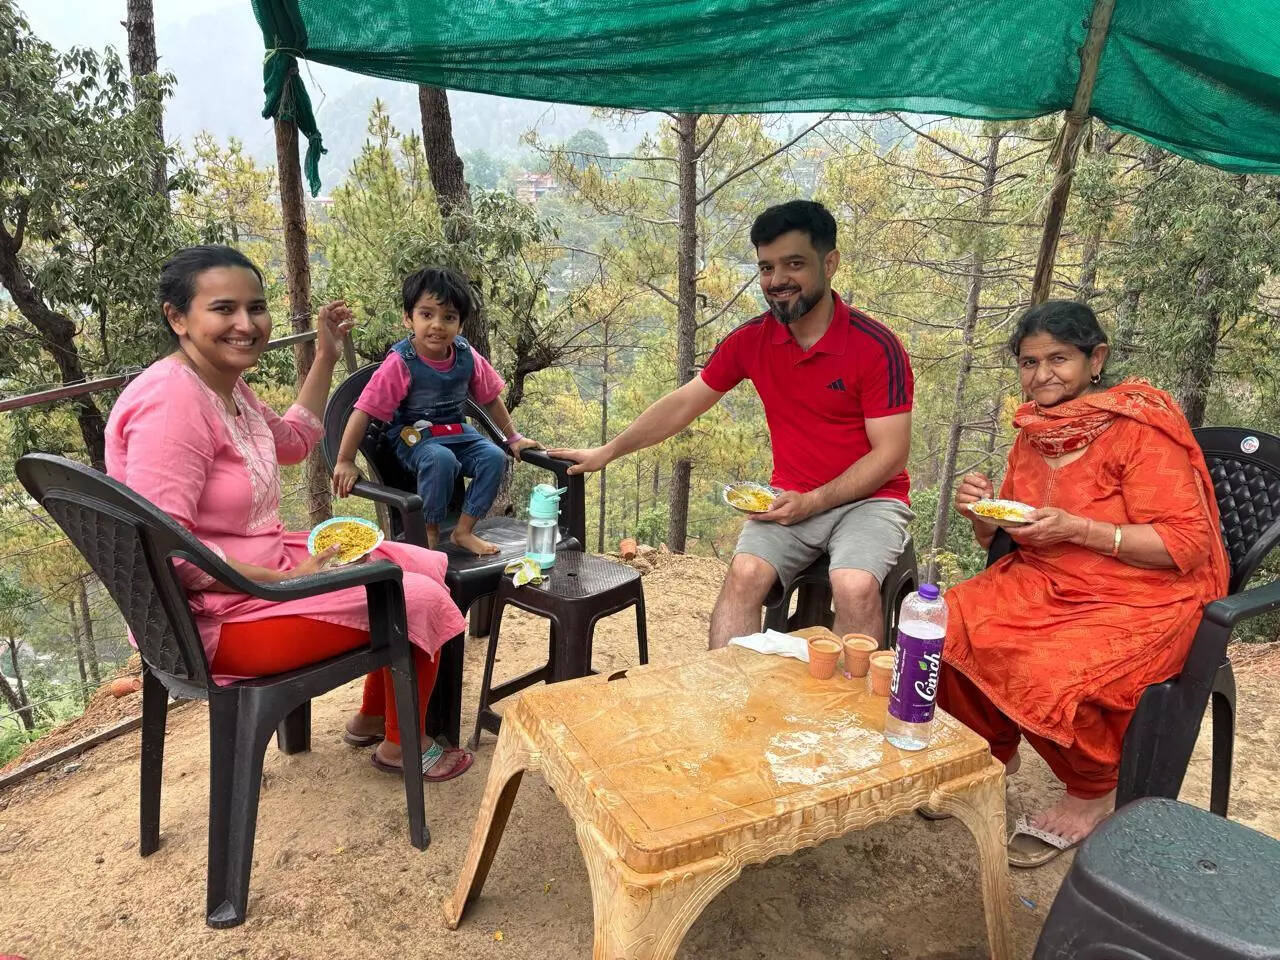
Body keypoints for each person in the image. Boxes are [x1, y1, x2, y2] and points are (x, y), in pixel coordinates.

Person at [106, 245, 474, 782]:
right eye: (224, 309)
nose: (245, 323)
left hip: (255, 576)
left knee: (414, 562)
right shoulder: (171, 406)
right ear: (177, 317)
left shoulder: (223, 386)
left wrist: (324, 355)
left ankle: (375, 717)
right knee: (414, 597)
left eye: (255, 308)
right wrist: (290, 576)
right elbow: (170, 555)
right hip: (217, 617)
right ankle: (405, 746)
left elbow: (296, 442)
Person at [941, 300, 1228, 866]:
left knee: (1050, 667)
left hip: (1147, 594)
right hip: (1051, 577)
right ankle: (993, 754)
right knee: (944, 621)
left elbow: (1185, 544)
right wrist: (981, 514)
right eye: (1028, 362)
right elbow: (1010, 536)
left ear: (1095, 359)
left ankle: (1091, 790)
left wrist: (1080, 528)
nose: (1042, 374)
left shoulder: (1137, 431)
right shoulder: (1034, 433)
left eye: (1059, 358)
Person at [551, 200, 914, 646]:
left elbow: (891, 453)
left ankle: (846, 713)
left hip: (869, 501)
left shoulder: (876, 346)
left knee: (854, 586)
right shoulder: (753, 340)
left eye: (794, 264)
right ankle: (726, 696)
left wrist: (815, 501)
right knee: (743, 574)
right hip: (788, 499)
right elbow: (684, 403)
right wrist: (608, 451)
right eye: (766, 267)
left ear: (830, 263)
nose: (777, 281)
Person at [332, 266, 541, 555]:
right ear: (409, 318)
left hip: (457, 432)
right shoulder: (401, 362)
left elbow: (491, 397)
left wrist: (513, 438)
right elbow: (364, 410)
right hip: (414, 438)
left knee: (494, 457)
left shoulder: (466, 355)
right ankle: (429, 533)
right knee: (440, 459)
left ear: (461, 325)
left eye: (449, 317)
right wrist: (345, 459)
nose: (438, 325)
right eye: (426, 314)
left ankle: (463, 531)